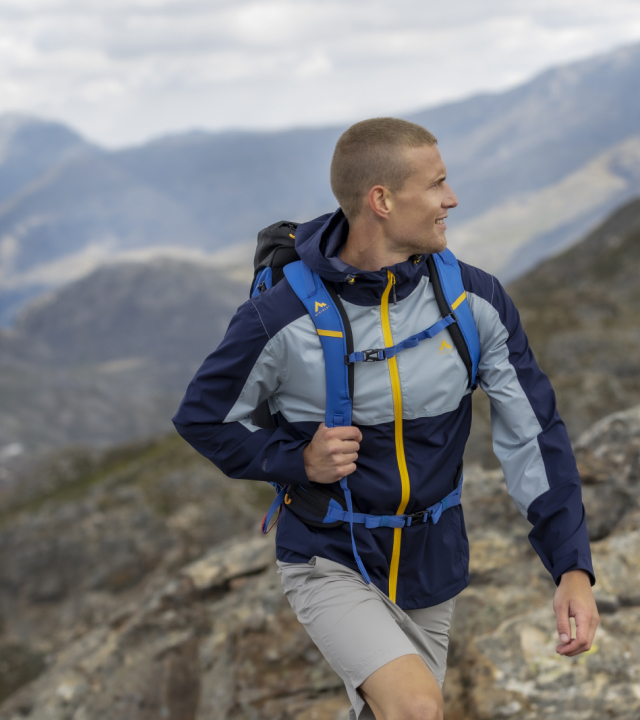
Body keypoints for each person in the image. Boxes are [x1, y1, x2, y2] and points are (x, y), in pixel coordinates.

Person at [172, 118, 599, 720]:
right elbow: (203, 417)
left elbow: (532, 434)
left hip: (432, 560)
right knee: (416, 708)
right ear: (381, 200)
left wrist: (571, 565)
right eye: (437, 185)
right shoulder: (281, 317)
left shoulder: (474, 302)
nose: (452, 199)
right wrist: (296, 461)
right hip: (330, 553)